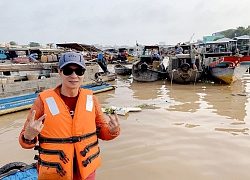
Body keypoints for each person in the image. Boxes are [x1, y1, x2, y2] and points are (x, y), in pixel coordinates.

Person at [19, 51, 121, 180]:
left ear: (84, 73)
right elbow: (24, 142)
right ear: (59, 72)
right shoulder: (43, 100)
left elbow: (103, 133)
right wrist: (29, 135)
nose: (74, 76)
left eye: (79, 71)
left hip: (86, 170)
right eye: (68, 70)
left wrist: (113, 131)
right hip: (55, 172)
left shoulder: (91, 100)